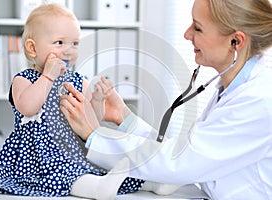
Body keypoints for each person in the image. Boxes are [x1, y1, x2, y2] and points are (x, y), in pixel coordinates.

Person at [59, 0, 272, 199]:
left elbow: (180, 161)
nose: (187, 34)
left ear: (236, 41)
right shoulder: (233, 89)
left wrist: (95, 135)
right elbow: (183, 151)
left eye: (197, 28)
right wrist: (125, 119)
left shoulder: (259, 100)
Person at [0, 3, 179, 199]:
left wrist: (97, 100)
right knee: (67, 173)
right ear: (32, 48)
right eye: (59, 42)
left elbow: (90, 121)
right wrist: (48, 77)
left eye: (75, 43)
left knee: (104, 165)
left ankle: (153, 182)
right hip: (38, 157)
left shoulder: (78, 80)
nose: (69, 50)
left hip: (75, 149)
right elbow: (27, 108)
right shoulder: (25, 79)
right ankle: (97, 189)